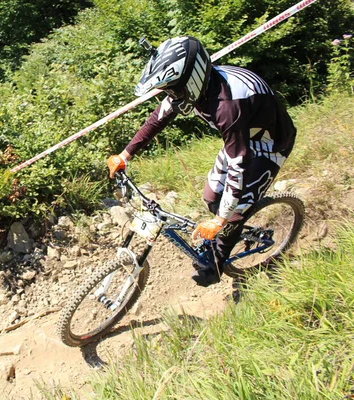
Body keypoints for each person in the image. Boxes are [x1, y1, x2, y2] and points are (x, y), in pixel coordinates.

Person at [107, 36, 297, 287]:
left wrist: (221, 220)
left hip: (270, 145)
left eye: (172, 89)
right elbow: (157, 118)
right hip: (243, 137)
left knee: (233, 211)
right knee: (211, 196)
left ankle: (217, 264)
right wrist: (125, 155)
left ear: (191, 79)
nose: (170, 96)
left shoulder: (227, 106)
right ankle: (225, 232)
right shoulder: (194, 89)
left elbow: (238, 167)